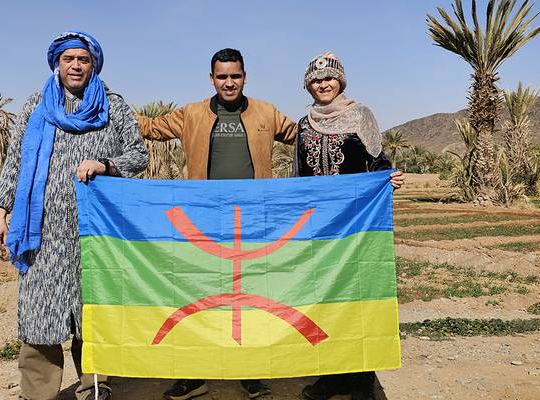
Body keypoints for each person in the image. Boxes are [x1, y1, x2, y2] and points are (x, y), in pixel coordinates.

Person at [0, 30, 148, 400]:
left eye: (83, 59)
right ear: (57, 63)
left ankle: (95, 386)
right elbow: (15, 162)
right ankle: (37, 392)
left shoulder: (113, 106)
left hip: (96, 232)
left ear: (94, 64)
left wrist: (105, 164)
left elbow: (138, 156)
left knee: (91, 310)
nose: (76, 65)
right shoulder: (36, 106)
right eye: (68, 59)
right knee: (38, 314)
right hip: (41, 232)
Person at [136, 48, 296, 400]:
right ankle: (195, 374)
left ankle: (251, 372)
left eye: (235, 76)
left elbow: (305, 137)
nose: (228, 82)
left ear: (245, 76)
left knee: (252, 298)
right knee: (198, 295)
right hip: (202, 220)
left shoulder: (266, 112)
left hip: (254, 220)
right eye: (222, 76)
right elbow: (148, 128)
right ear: (211, 79)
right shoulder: (191, 114)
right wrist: (107, 104)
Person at [294, 52, 403, 400]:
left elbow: (377, 161)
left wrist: (389, 179)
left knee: (358, 299)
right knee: (323, 298)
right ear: (308, 85)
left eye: (329, 78)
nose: (323, 84)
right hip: (319, 230)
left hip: (356, 226)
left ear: (340, 80)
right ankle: (331, 376)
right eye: (315, 79)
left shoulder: (361, 115)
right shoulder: (303, 124)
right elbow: (298, 176)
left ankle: (361, 380)